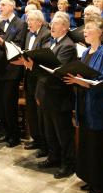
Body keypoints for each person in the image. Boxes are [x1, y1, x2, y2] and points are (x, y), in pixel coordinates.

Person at [64, 18, 103, 193]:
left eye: (89, 28)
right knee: (87, 145)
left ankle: (101, 184)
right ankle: (89, 178)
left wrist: (81, 81)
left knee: (99, 147)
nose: (84, 31)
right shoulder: (86, 51)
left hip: (99, 107)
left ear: (101, 32)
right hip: (84, 104)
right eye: (84, 29)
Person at [23, 12, 77, 179]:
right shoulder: (50, 43)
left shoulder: (67, 46)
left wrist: (33, 66)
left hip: (58, 96)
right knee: (50, 131)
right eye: (52, 23)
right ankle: (54, 157)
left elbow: (56, 72)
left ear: (66, 28)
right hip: (45, 94)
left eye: (57, 24)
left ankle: (68, 164)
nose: (52, 26)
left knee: (63, 133)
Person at [0, 0, 26, 147]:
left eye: (3, 5)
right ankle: (5, 132)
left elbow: (17, 46)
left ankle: (14, 136)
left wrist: (0, 42)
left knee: (9, 105)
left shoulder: (20, 24)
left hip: (11, 69)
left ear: (12, 7)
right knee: (1, 105)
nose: (0, 7)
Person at [17, 10, 51, 154]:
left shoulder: (46, 34)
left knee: (39, 113)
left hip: (39, 78)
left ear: (39, 21)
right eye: (27, 20)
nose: (28, 23)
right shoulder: (29, 33)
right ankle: (36, 139)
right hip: (29, 76)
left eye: (31, 20)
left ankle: (45, 144)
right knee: (31, 110)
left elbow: (44, 56)